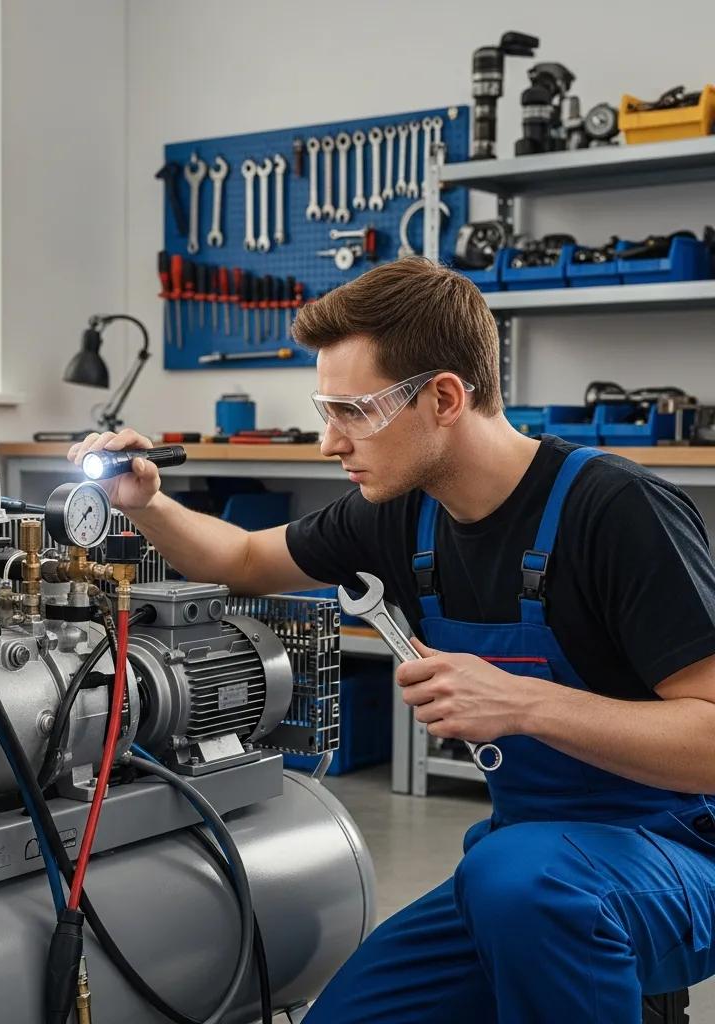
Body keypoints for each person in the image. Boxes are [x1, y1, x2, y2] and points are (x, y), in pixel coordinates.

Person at [67, 257, 715, 1022]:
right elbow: (241, 560)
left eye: (352, 410)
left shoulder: (619, 512)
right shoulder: (402, 513)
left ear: (444, 396)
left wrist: (526, 705)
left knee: (526, 879)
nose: (328, 442)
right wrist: (144, 502)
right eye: (325, 409)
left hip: (672, 855)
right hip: (521, 865)